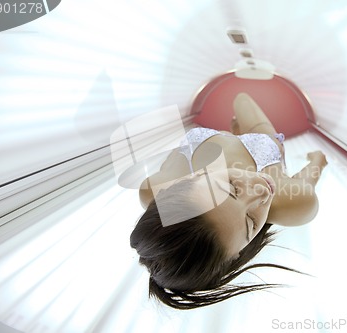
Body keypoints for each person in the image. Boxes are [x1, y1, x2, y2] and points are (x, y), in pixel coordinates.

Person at [130, 92, 327, 309]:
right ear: (239, 252)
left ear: (192, 178)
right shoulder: (295, 203)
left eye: (231, 188)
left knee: (240, 97)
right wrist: (317, 161)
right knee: (242, 98)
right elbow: (305, 182)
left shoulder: (152, 190)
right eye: (251, 222)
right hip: (262, 148)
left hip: (200, 145)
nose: (261, 192)